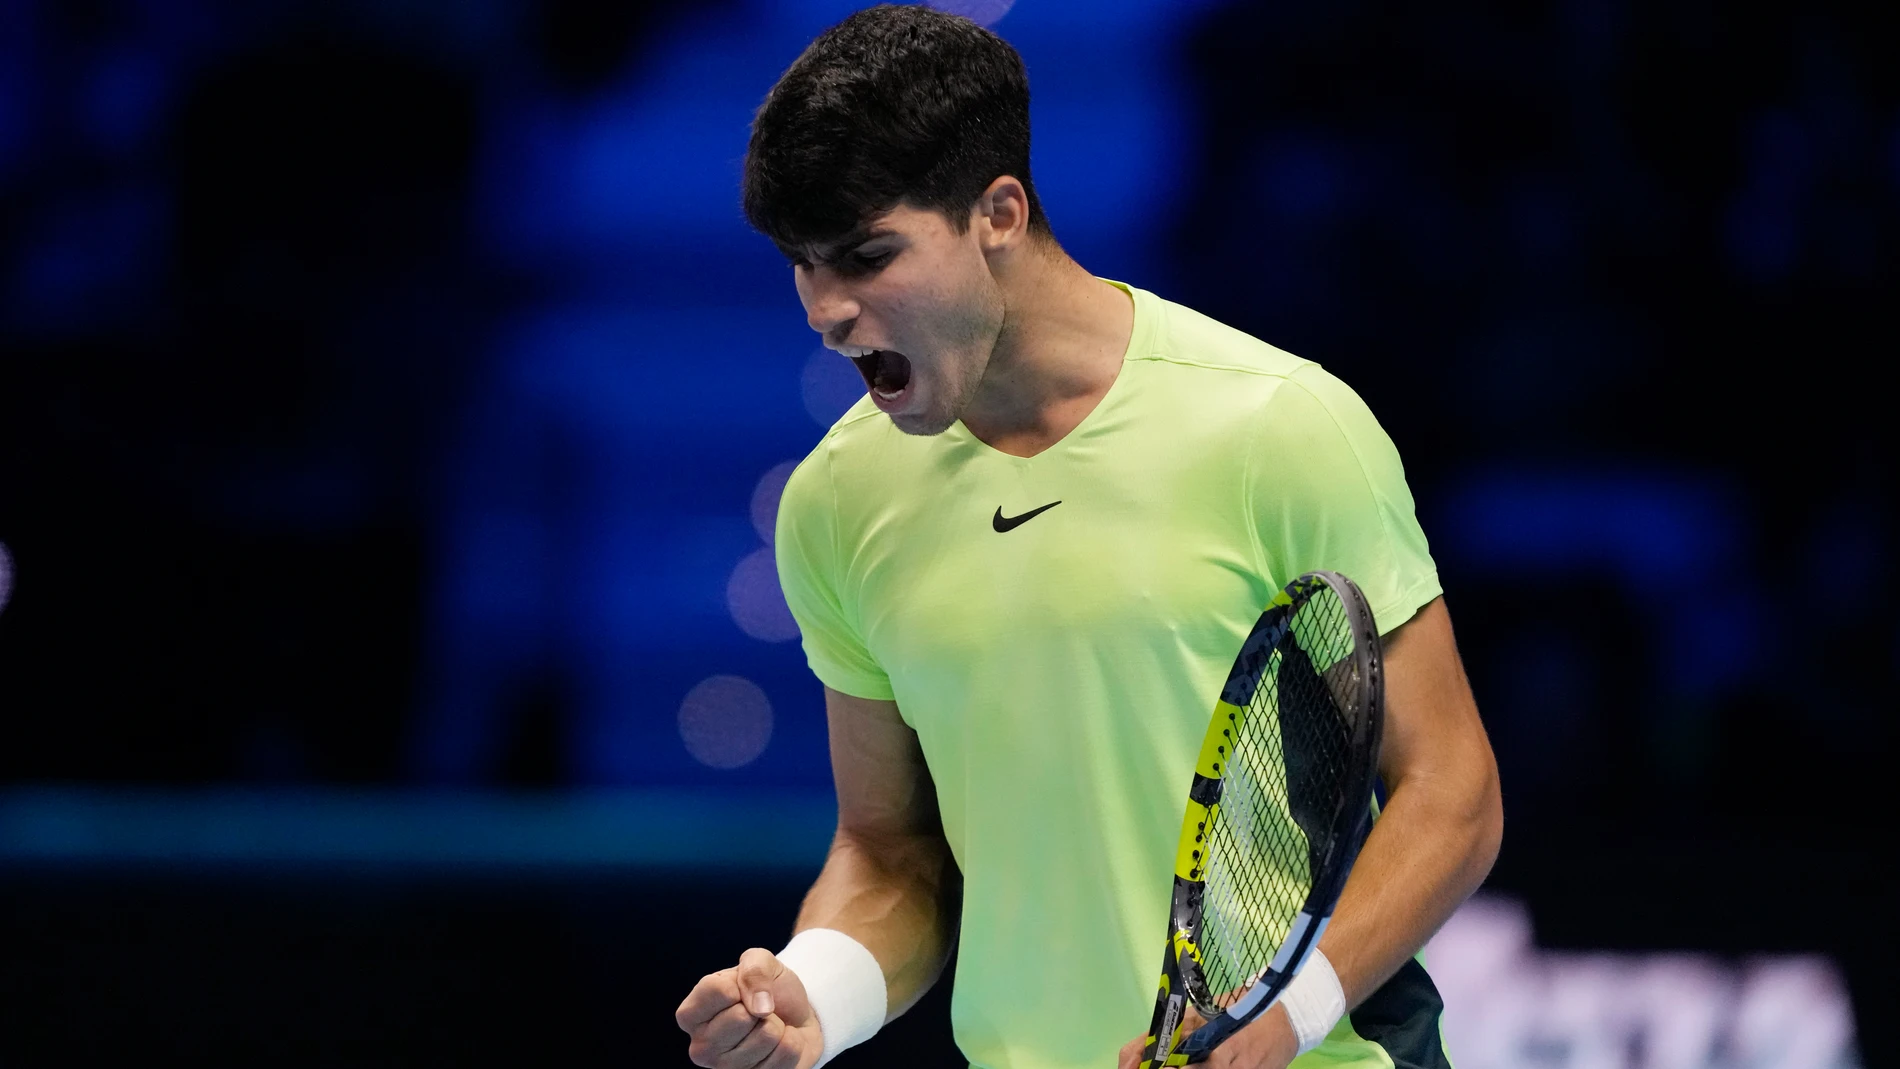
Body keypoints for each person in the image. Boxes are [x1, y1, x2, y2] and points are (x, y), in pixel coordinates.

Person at [675, 6, 1502, 1069]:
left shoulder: (1279, 426)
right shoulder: (837, 502)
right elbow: (891, 851)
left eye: (867, 255)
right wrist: (816, 993)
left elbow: (1454, 793)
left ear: (999, 214)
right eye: (803, 264)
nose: (825, 310)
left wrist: (1281, 1022)